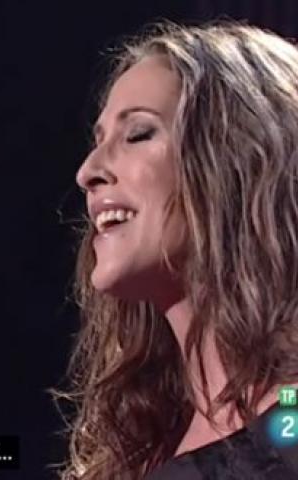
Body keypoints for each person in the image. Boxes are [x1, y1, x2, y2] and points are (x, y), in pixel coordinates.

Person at [56, 19, 298, 479]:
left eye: (137, 134)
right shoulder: (139, 449)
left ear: (236, 162)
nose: (88, 171)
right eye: (98, 141)